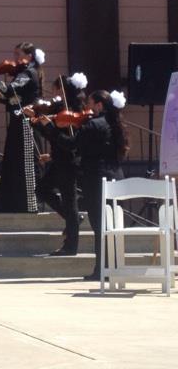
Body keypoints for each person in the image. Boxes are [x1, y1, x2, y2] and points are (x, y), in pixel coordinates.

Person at [37, 89, 128, 279]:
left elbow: (71, 144)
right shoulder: (116, 123)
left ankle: (101, 270)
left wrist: (51, 128)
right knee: (111, 225)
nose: (87, 107)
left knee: (99, 225)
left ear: (99, 105)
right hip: (116, 177)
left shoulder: (94, 124)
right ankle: (111, 268)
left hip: (97, 179)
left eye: (90, 103)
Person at [28, 73, 88, 255]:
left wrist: (42, 123)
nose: (55, 94)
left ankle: (71, 245)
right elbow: (52, 135)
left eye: (57, 90)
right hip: (60, 160)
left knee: (70, 202)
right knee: (42, 190)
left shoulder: (72, 111)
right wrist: (36, 122)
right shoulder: (63, 109)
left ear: (64, 90)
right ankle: (73, 219)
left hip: (68, 162)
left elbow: (63, 140)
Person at [0, 42, 44, 213]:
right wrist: (0, 95)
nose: (15, 58)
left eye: (18, 54)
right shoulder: (24, 72)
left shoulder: (28, 73)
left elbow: (11, 90)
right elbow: (17, 100)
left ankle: (30, 203)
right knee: (14, 162)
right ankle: (15, 203)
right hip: (18, 121)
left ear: (29, 56)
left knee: (27, 162)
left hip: (26, 123)